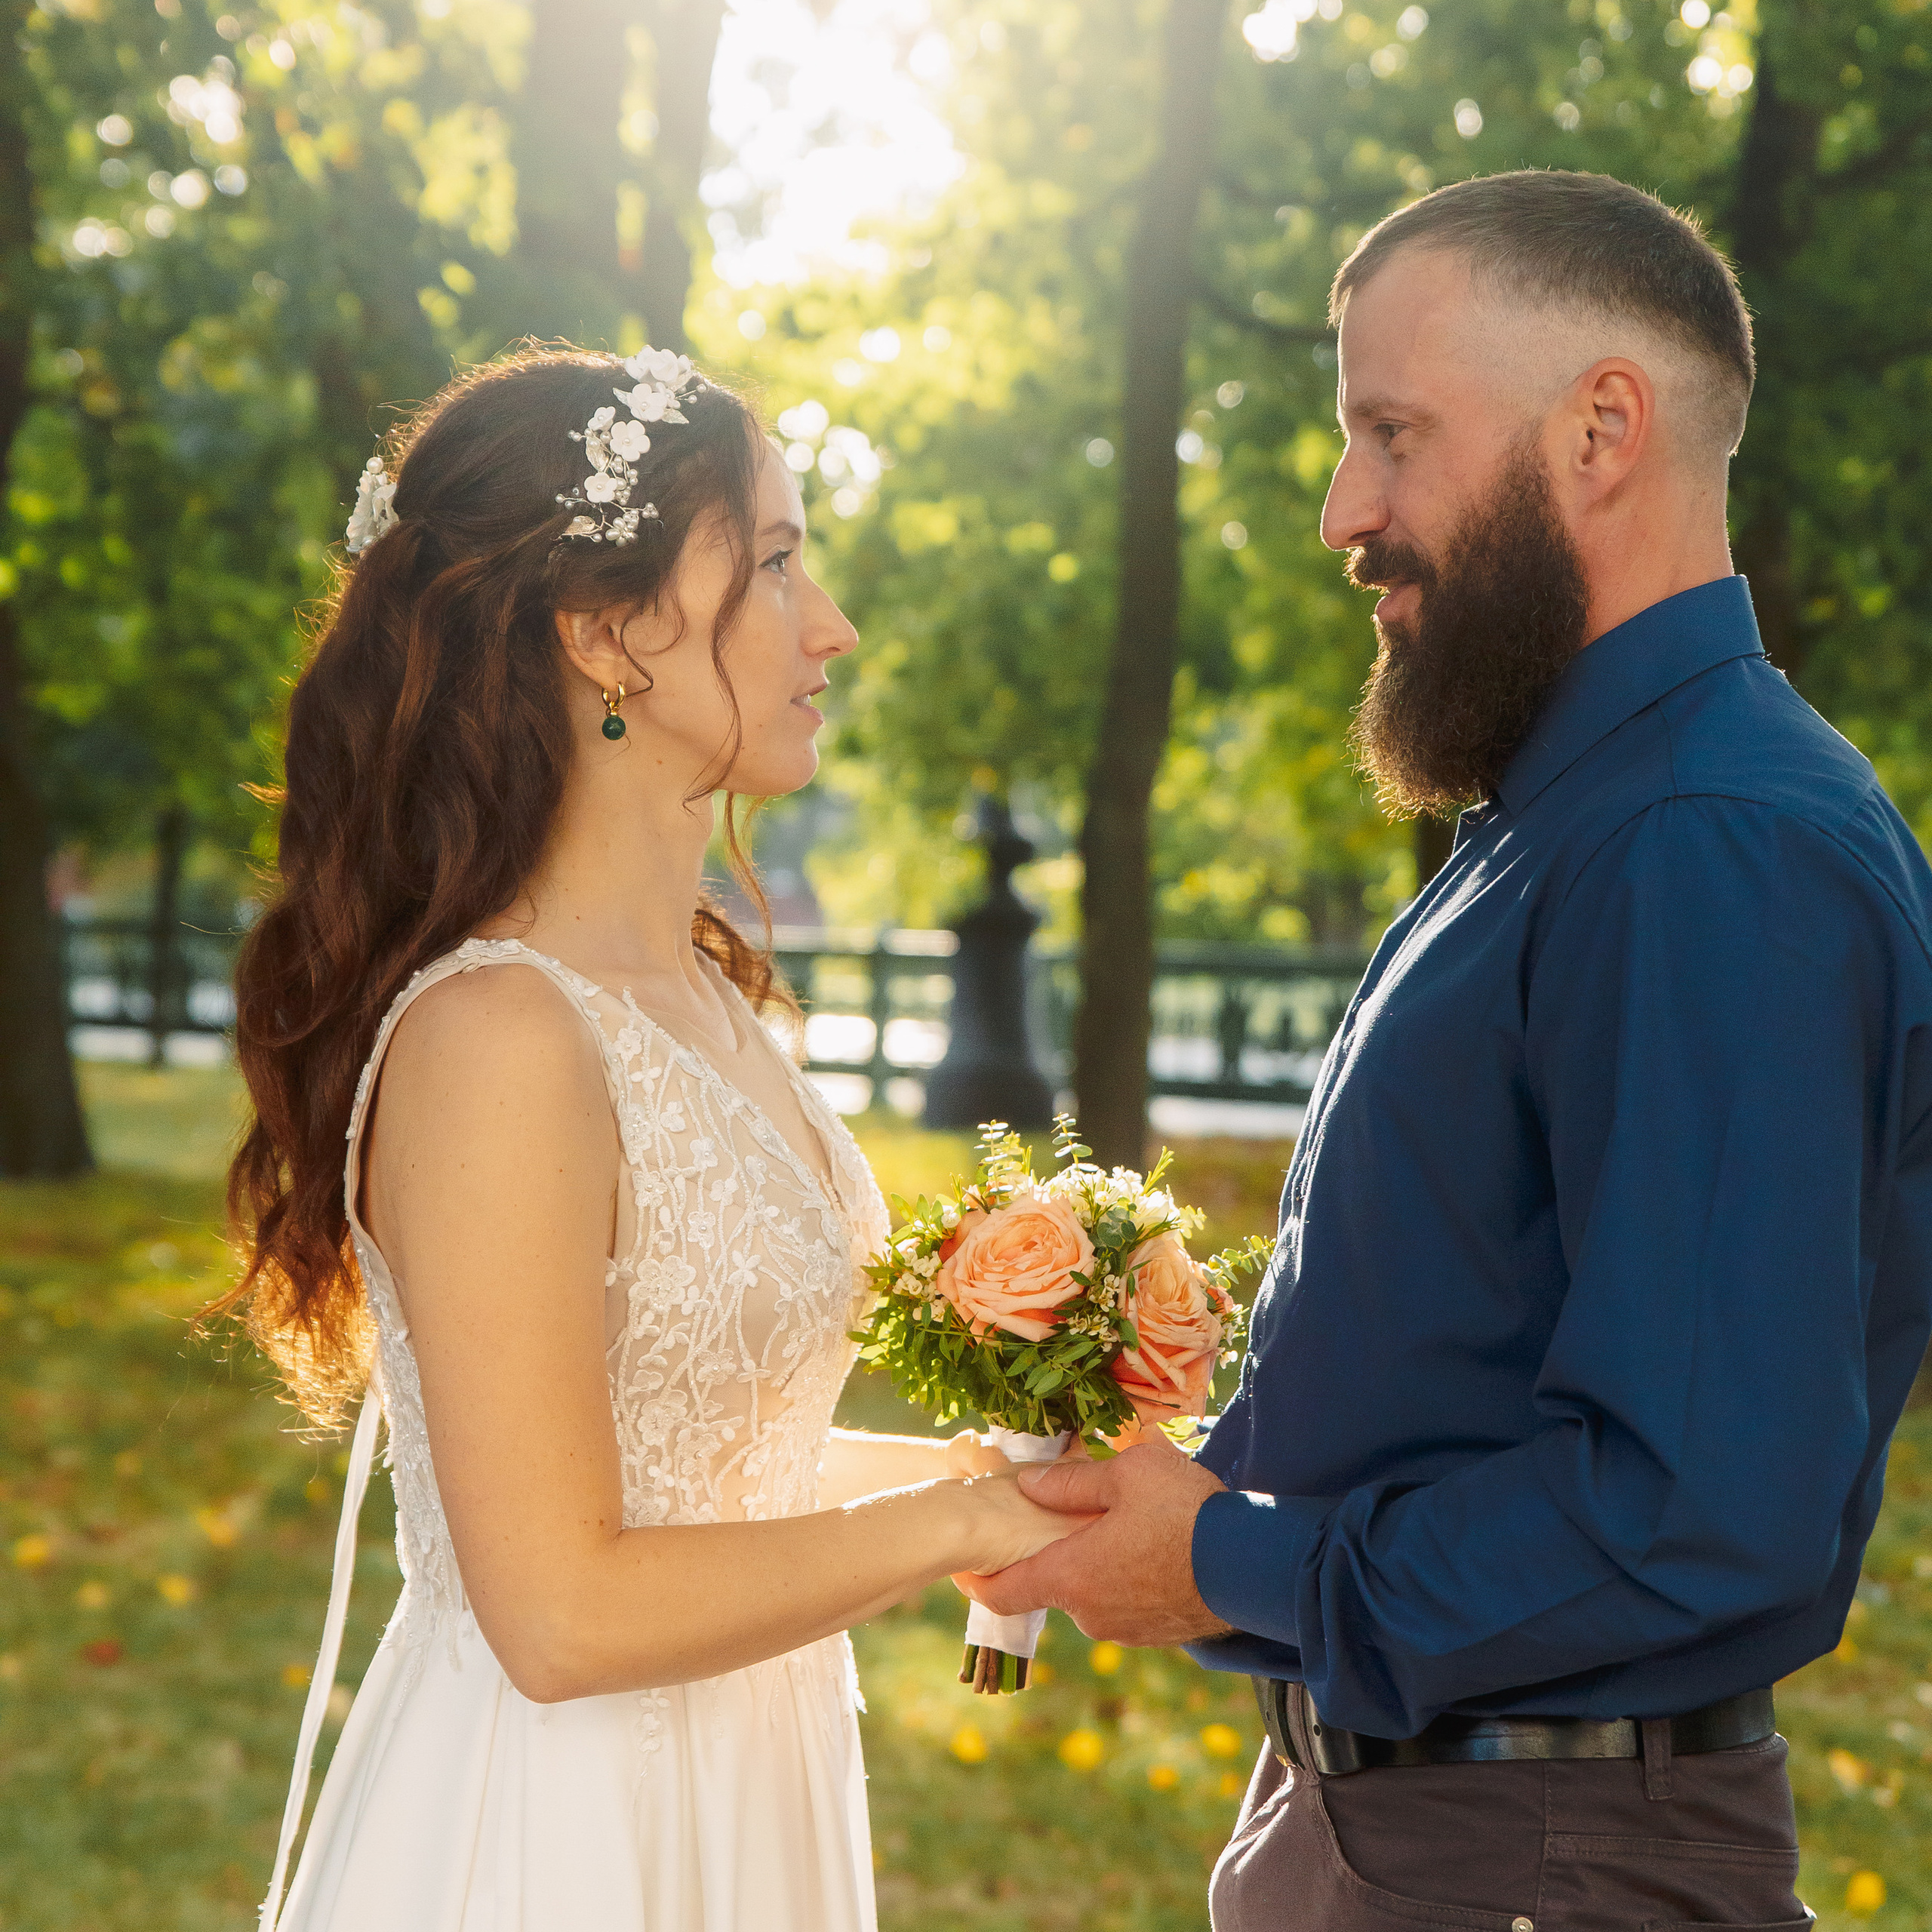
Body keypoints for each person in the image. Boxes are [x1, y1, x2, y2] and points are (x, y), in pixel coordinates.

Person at [961, 170, 1932, 1928]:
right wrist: (1168, 1487)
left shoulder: (1702, 844)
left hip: (1540, 1864)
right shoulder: (1560, 821)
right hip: (1409, 1831)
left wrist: (1220, 1557)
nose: (1343, 507)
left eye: (1391, 433)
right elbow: (1457, 1368)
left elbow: (1692, 1504)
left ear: (1599, 429)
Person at [216, 345, 1075, 1932]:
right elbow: (555, 1606)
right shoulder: (496, 1039)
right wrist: (946, 1524)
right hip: (557, 1828)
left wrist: (984, 1469)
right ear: (609, 634)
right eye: (771, 564)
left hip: (756, 1786)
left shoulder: (705, 994)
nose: (831, 626)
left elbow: (698, 1455)